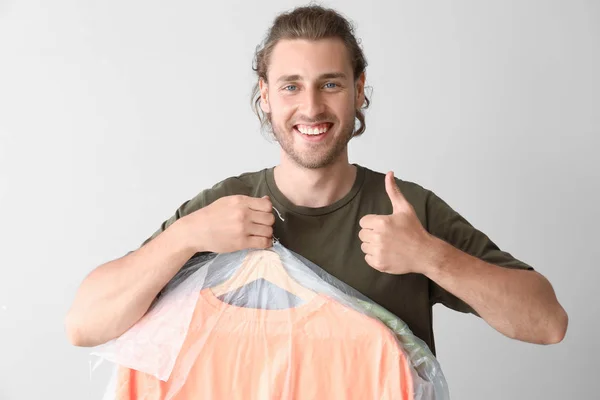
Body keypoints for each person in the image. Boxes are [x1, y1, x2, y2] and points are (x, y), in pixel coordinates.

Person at [65, 4, 568, 357]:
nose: (311, 107)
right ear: (265, 95)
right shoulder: (223, 207)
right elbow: (85, 324)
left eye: (330, 84)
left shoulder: (406, 212)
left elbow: (548, 323)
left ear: (358, 90)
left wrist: (430, 256)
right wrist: (186, 238)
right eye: (291, 86)